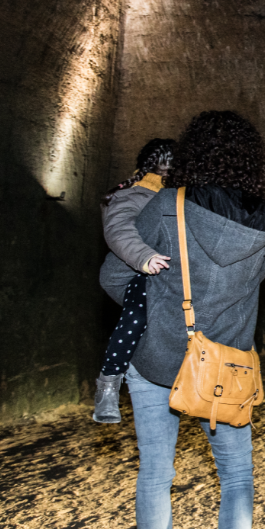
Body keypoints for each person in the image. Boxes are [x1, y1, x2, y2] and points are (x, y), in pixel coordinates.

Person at [100, 111, 265, 529]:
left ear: (194, 152)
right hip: (224, 371)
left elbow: (115, 274)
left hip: (157, 363)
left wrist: (162, 306)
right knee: (237, 479)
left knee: (155, 475)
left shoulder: (165, 206)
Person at [93, 137, 175, 424]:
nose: (166, 172)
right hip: (139, 272)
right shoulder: (133, 194)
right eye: (162, 167)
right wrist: (145, 256)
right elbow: (119, 230)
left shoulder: (182, 195)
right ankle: (109, 381)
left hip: (169, 276)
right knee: (138, 315)